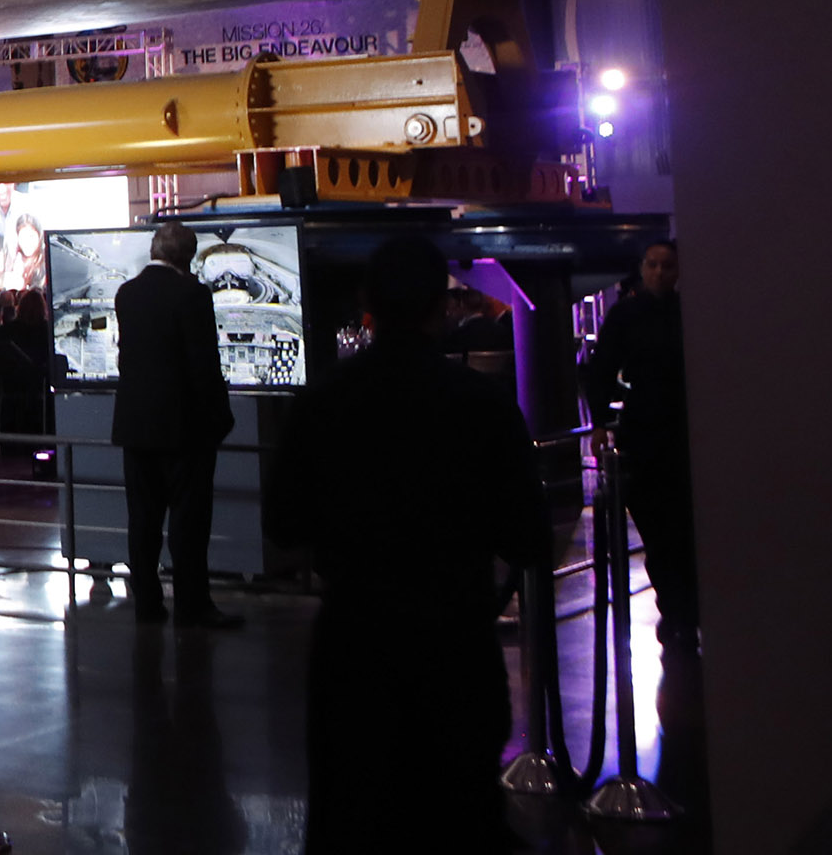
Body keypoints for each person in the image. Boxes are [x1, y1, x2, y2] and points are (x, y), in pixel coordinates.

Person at [266, 235, 548, 853]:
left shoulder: (324, 402)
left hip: (355, 645)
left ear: (367, 301)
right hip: (453, 645)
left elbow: (284, 523)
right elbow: (527, 532)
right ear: (440, 307)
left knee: (355, 814)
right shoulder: (478, 404)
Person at [111, 223, 239, 628]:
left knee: (143, 521)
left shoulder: (126, 294)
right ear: (187, 257)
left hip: (136, 427)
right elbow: (204, 366)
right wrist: (221, 419)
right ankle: (192, 605)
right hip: (185, 429)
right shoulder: (193, 295)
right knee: (188, 523)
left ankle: (147, 603)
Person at [584, 240, 696, 643]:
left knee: (666, 527)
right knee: (674, 526)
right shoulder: (684, 313)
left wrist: (600, 421)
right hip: (672, 430)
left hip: (649, 427)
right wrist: (599, 419)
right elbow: (599, 371)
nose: (659, 273)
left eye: (665, 266)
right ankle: (681, 606)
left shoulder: (628, 315)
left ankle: (677, 606)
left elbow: (599, 371)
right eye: (653, 265)